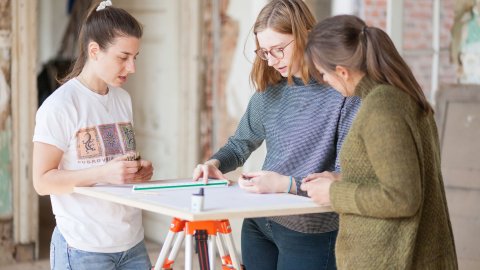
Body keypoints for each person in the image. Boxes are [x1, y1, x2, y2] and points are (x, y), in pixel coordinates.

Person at [192, 1, 360, 269]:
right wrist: (215, 164)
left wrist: (284, 183)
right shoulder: (270, 90)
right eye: (264, 52)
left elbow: (344, 176)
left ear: (306, 35)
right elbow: (239, 145)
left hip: (309, 229)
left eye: (279, 50)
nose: (271, 60)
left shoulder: (342, 92)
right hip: (259, 222)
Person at [302, 14, 458, 269]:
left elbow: (402, 197)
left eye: (323, 74)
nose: (325, 82)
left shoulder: (382, 109)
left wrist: (333, 193)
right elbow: (399, 173)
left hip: (394, 260)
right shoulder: (397, 96)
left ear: (342, 71)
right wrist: (342, 179)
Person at [32, 1, 154, 269]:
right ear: (94, 51)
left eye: (135, 57)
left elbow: (114, 164)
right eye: (123, 57)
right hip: (83, 247)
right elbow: (42, 181)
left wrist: (135, 171)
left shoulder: (123, 99)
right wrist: (102, 173)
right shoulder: (60, 106)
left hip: (132, 242)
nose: (132, 67)